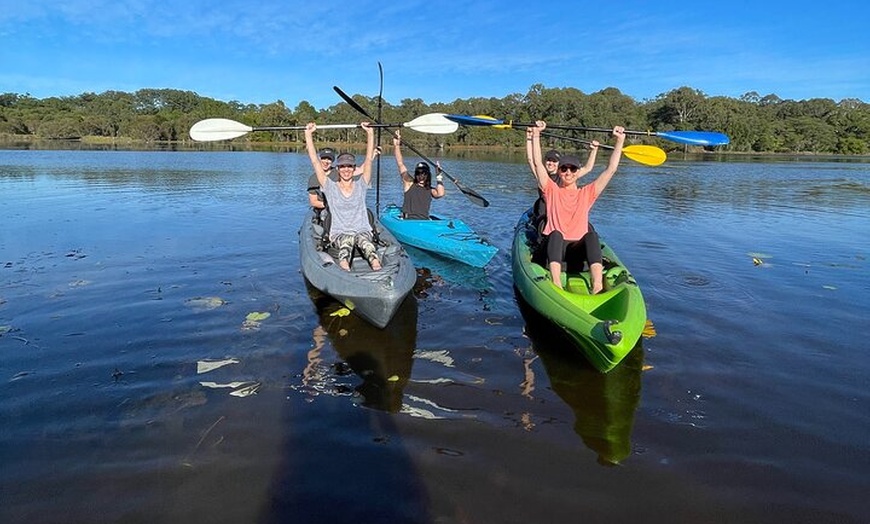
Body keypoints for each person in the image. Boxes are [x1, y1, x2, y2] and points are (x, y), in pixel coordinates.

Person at [528, 120, 626, 294]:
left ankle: (597, 285)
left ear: (577, 172)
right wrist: (536, 134)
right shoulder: (551, 190)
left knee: (591, 235)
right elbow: (536, 163)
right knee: (556, 234)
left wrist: (619, 141)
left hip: (574, 254)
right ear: (558, 172)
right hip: (551, 251)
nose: (568, 172)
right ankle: (556, 285)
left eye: (572, 169)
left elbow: (610, 170)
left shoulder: (587, 193)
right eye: (564, 169)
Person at [305, 121, 381, 272]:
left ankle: (378, 269)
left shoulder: (362, 184)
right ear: (338, 169)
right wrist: (308, 134)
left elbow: (369, 160)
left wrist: (370, 133)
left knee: (367, 245)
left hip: (362, 230)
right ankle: (344, 270)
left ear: (354, 169)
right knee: (346, 243)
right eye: (343, 166)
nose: (346, 170)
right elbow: (315, 161)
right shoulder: (329, 187)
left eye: (349, 166)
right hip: (340, 232)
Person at [392, 130, 445, 219]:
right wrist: (396, 145)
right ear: (416, 174)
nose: (421, 176)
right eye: (418, 173)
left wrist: (439, 176)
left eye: (424, 173)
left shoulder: (430, 190)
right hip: (408, 221)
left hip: (423, 223)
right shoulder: (409, 183)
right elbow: (400, 163)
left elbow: (440, 194)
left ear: (428, 175)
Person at [307, 147, 337, 218]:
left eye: (329, 159)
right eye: (323, 158)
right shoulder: (313, 178)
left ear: (332, 161)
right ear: (319, 159)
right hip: (324, 208)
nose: (326, 162)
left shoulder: (339, 173)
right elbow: (313, 202)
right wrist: (329, 205)